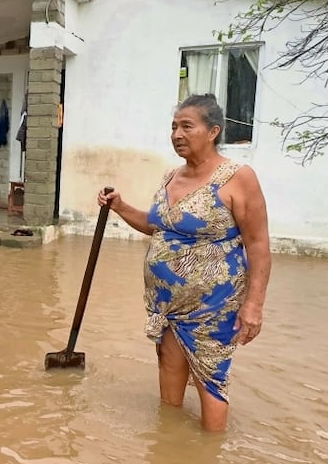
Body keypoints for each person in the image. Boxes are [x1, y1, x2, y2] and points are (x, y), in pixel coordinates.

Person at [97, 94, 271, 431]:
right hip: (168, 306)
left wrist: (254, 305)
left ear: (212, 131)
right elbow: (157, 225)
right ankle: (171, 448)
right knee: (169, 370)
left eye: (187, 126)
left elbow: (258, 243)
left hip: (213, 306)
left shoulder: (238, 177)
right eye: (174, 126)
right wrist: (119, 206)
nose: (177, 134)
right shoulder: (169, 177)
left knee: (211, 380)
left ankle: (208, 459)